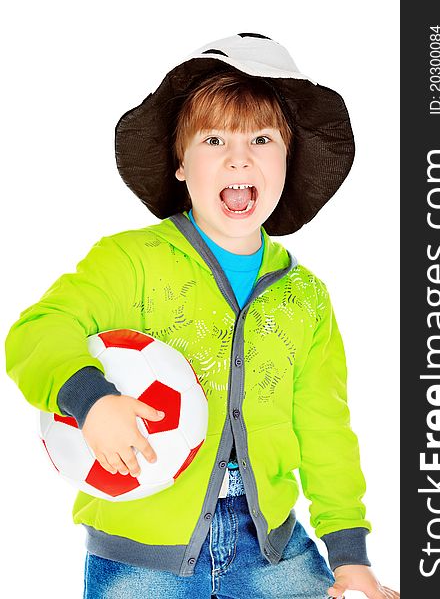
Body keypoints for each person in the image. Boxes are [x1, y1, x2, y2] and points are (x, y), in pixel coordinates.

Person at [5, 33, 399, 598]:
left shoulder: (305, 297)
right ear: (181, 164)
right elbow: (37, 331)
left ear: (288, 162)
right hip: (141, 558)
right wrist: (90, 399)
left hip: (273, 550)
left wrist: (349, 551)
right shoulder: (130, 262)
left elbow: (325, 430)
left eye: (262, 139)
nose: (239, 157)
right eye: (215, 139)